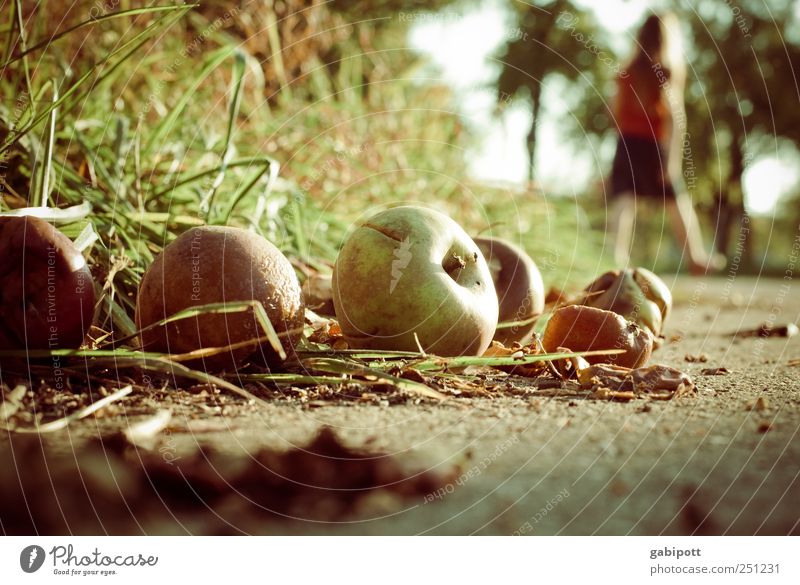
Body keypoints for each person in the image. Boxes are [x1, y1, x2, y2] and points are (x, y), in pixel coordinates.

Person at [608, 12, 723, 274]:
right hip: (653, 144)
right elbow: (674, 119)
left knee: (624, 201)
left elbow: (614, 110)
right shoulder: (667, 73)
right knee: (676, 201)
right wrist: (671, 162)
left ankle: (616, 259)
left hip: (627, 143)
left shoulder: (626, 72)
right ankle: (695, 258)